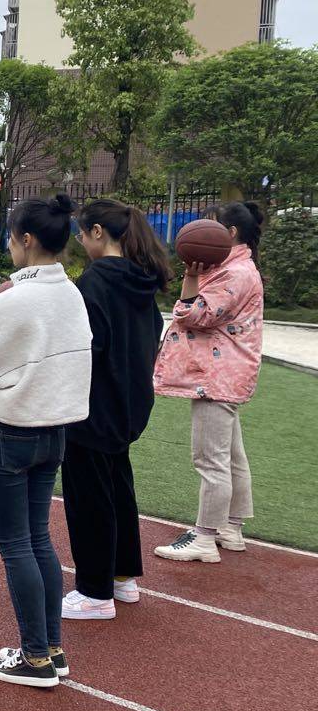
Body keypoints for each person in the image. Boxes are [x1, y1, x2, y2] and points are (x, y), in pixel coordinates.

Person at [0, 195, 91, 688]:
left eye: (10, 237)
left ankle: (33, 658)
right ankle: (50, 647)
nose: (9, 245)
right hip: (55, 431)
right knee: (38, 539)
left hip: (8, 432)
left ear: (26, 240)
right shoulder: (70, 293)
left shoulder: (15, 299)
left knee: (15, 546)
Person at [61, 199, 170, 620]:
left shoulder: (95, 283)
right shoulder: (142, 280)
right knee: (118, 487)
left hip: (94, 404)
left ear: (98, 233)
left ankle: (94, 590)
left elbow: (87, 348)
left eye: (82, 234)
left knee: (89, 496)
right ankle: (122, 578)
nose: (81, 241)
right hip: (131, 402)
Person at [153, 202, 265, 564]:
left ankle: (204, 538)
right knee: (231, 456)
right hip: (225, 375)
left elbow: (194, 314)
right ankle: (230, 528)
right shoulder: (236, 267)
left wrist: (189, 278)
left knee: (210, 459)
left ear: (230, 233)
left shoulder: (235, 274)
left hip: (217, 378)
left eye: (215, 225)